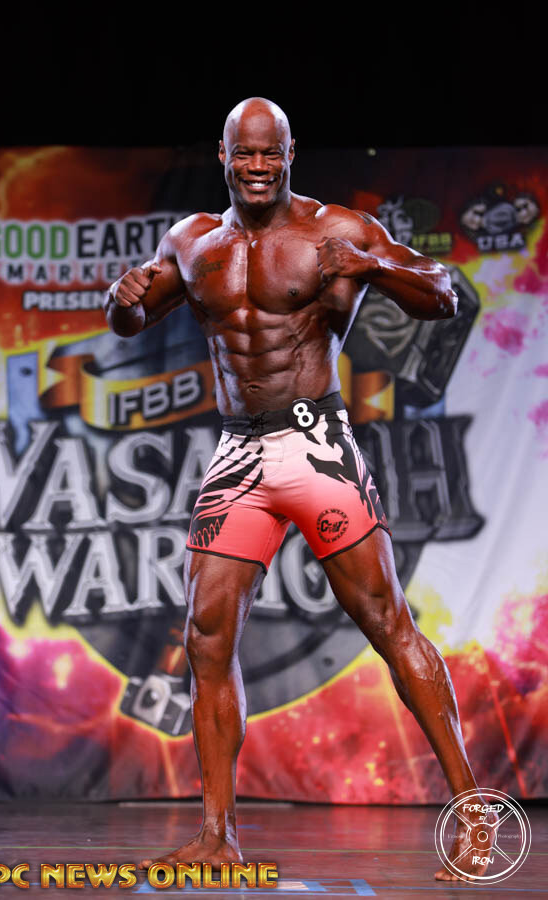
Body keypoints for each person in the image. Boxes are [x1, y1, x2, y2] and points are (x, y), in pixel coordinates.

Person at [104, 97, 494, 882]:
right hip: (239, 452)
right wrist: (121, 301)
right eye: (244, 154)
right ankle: (218, 836)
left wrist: (374, 267)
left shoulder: (335, 230)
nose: (257, 167)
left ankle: (473, 812)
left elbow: (445, 296)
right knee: (206, 637)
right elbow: (131, 323)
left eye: (269, 153)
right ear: (223, 156)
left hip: (317, 446)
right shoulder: (193, 241)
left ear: (290, 155)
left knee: (387, 622)